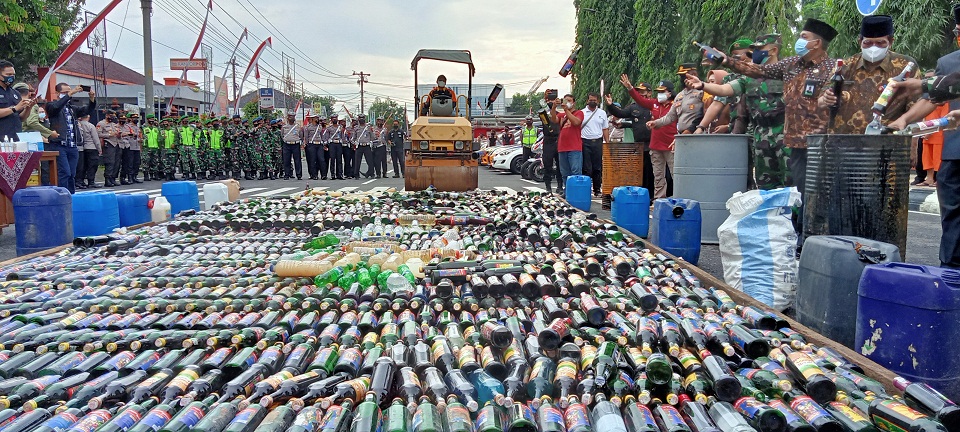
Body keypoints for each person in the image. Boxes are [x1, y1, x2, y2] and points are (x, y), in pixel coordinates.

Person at [720, 18, 840, 250]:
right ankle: (791, 237)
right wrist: (727, 61)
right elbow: (758, 70)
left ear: (817, 43)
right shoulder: (791, 64)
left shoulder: (831, 68)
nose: (799, 41)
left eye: (804, 37)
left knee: (815, 194)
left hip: (819, 141)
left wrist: (828, 99)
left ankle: (812, 241)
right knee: (794, 191)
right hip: (794, 140)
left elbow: (833, 95)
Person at [885, 4, 960, 269]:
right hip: (955, 153)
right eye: (958, 30)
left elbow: (932, 88)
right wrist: (904, 119)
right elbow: (934, 97)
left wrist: (923, 84)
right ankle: (951, 274)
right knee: (952, 219)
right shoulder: (949, 62)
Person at [686, 34, 789, 190]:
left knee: (790, 183)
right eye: (754, 49)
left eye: (760, 49)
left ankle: (795, 215)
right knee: (766, 185)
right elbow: (723, 90)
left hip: (785, 134)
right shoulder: (748, 78)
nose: (755, 53)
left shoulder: (787, 74)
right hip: (760, 136)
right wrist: (702, 85)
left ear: (774, 50)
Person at [818, 15, 919, 134]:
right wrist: (826, 99)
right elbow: (820, 101)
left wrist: (904, 121)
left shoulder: (905, 66)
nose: (873, 48)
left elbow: (918, 104)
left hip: (887, 143)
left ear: (891, 41)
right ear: (860, 41)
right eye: (868, 43)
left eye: (880, 43)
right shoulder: (845, 65)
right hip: (843, 143)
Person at [621, 75, 678, 199]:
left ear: (670, 93)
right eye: (658, 92)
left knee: (675, 174)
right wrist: (630, 88)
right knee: (658, 175)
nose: (659, 94)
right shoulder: (655, 104)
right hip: (656, 145)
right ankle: (659, 199)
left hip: (670, 145)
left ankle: (678, 198)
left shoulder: (676, 106)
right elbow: (641, 101)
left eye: (662, 92)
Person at [605, 81, 654, 198]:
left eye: (643, 91)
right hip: (638, 144)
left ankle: (652, 195)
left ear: (649, 93)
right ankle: (641, 195)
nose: (640, 94)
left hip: (653, 143)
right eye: (638, 91)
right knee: (639, 172)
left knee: (652, 172)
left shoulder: (654, 105)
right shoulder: (633, 107)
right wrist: (610, 106)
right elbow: (620, 113)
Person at [46, 83, 96, 193]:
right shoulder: (51, 105)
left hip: (72, 145)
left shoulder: (72, 108)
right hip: (59, 144)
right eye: (65, 92)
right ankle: (62, 195)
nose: (68, 94)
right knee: (65, 172)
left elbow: (86, 110)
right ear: (57, 93)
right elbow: (55, 107)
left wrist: (92, 99)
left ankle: (71, 195)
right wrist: (70, 93)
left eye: (69, 91)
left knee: (72, 174)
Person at [579, 93, 609, 197]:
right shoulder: (582, 113)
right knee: (587, 168)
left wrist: (607, 142)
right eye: (591, 100)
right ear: (587, 101)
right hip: (585, 142)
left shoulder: (602, 113)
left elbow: (605, 129)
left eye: (595, 100)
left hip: (598, 142)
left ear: (598, 101)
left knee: (597, 167)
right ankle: (586, 189)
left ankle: (597, 189)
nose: (593, 102)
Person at [0, 60, 32, 142]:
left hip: (16, 137)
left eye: (13, 75)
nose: (11, 77)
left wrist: (28, 108)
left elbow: (21, 118)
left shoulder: (15, 93)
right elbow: (15, 109)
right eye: (8, 74)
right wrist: (14, 108)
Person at [556, 94, 584, 187]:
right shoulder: (562, 115)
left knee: (575, 172)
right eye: (565, 100)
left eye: (569, 100)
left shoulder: (579, 113)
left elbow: (576, 122)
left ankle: (576, 192)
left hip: (574, 148)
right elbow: (552, 119)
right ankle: (567, 191)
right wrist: (553, 107)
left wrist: (566, 110)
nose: (567, 102)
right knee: (564, 173)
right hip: (562, 147)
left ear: (573, 103)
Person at [541, 92, 563, 195]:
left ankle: (560, 185)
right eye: (550, 100)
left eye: (554, 100)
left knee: (560, 165)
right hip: (548, 141)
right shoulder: (543, 113)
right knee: (547, 164)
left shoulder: (559, 114)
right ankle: (548, 186)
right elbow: (543, 110)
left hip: (558, 140)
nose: (552, 102)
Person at [76, 113, 102, 189]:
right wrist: (99, 148)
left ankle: (81, 181)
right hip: (92, 147)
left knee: (83, 166)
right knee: (92, 166)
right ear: (88, 117)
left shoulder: (78, 124)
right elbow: (95, 138)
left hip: (83, 148)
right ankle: (91, 182)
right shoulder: (90, 125)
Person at [97, 111, 121, 187]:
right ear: (107, 115)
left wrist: (119, 134)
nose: (113, 117)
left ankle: (113, 178)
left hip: (116, 143)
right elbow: (98, 134)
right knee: (110, 162)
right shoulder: (101, 124)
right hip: (109, 144)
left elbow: (117, 133)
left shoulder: (114, 124)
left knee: (116, 163)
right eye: (111, 115)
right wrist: (109, 135)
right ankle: (107, 179)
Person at [120, 113, 142, 184]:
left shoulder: (137, 127)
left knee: (137, 163)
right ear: (130, 119)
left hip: (137, 147)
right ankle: (129, 177)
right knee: (130, 163)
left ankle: (134, 176)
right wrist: (127, 144)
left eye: (137, 118)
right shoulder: (127, 126)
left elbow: (139, 136)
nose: (136, 119)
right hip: (130, 147)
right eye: (134, 118)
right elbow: (123, 136)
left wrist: (140, 140)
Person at [281, 113, 303, 180]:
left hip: (295, 144)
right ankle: (287, 174)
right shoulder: (284, 127)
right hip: (286, 144)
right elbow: (282, 136)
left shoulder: (298, 127)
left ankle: (299, 175)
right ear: (287, 118)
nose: (292, 118)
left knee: (297, 160)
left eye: (293, 117)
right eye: (290, 117)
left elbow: (301, 136)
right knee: (286, 160)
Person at [352, 114, 375, 179]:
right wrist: (355, 143)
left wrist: (371, 142)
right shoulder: (356, 128)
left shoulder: (368, 127)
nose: (361, 119)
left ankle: (372, 173)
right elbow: (353, 138)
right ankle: (356, 175)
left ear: (365, 119)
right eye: (360, 118)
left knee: (370, 161)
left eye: (363, 118)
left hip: (367, 146)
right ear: (358, 119)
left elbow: (372, 137)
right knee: (357, 161)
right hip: (359, 146)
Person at [141, 115, 162, 181]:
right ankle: (146, 175)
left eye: (153, 119)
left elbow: (159, 137)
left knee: (155, 162)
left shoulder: (156, 128)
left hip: (155, 147)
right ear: (147, 119)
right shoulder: (143, 128)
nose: (152, 120)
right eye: (150, 119)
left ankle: (155, 175)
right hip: (147, 147)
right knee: (146, 162)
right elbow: (141, 137)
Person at [303, 115, 324, 180]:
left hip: (319, 144)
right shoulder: (308, 127)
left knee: (321, 159)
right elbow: (306, 137)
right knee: (312, 160)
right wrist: (306, 144)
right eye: (316, 118)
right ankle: (314, 175)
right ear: (312, 119)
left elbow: (321, 135)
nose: (317, 119)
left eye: (318, 118)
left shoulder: (320, 127)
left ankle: (323, 175)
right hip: (311, 144)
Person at [159, 116, 179, 181]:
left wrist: (175, 144)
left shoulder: (174, 130)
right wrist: (162, 138)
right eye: (164, 122)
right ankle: (167, 175)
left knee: (173, 162)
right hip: (165, 149)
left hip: (173, 149)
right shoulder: (161, 131)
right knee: (165, 162)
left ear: (169, 123)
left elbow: (177, 138)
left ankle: (172, 175)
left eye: (166, 122)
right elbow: (158, 139)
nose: (165, 123)